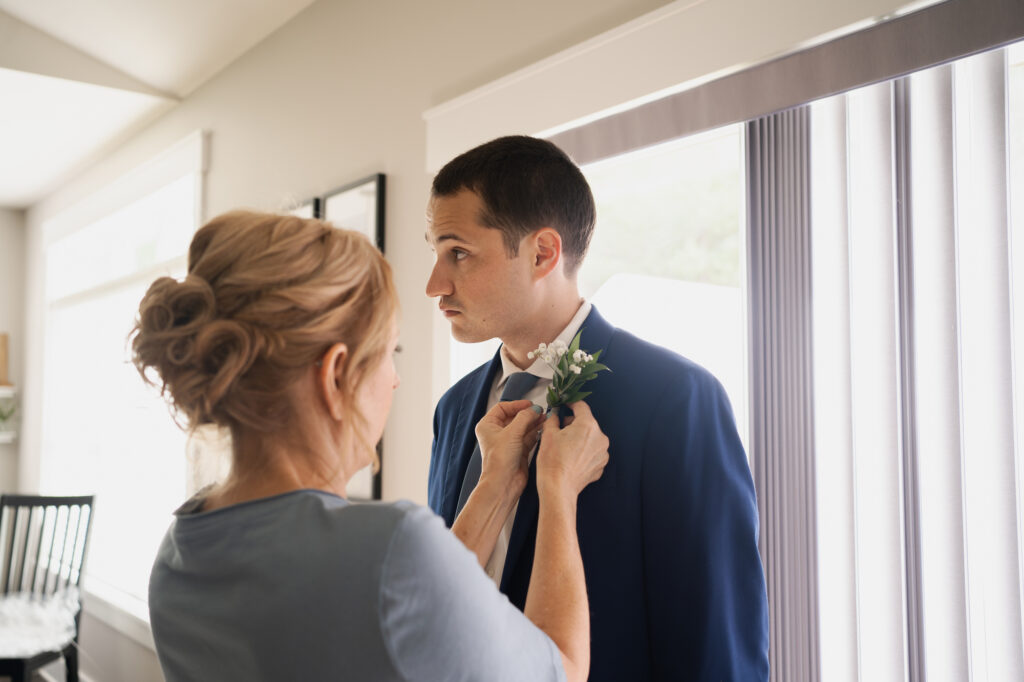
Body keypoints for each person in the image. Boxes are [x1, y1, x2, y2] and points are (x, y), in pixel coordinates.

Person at [132, 210, 609, 681]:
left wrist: (497, 485)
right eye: (387, 353)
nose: (395, 379)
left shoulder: (178, 556)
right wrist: (558, 490)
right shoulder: (391, 547)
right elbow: (561, 672)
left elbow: (402, 609)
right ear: (335, 375)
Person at [425, 136, 770, 681]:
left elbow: (715, 635)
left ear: (542, 253)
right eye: (436, 254)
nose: (434, 285)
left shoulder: (674, 398)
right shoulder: (454, 410)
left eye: (458, 253)